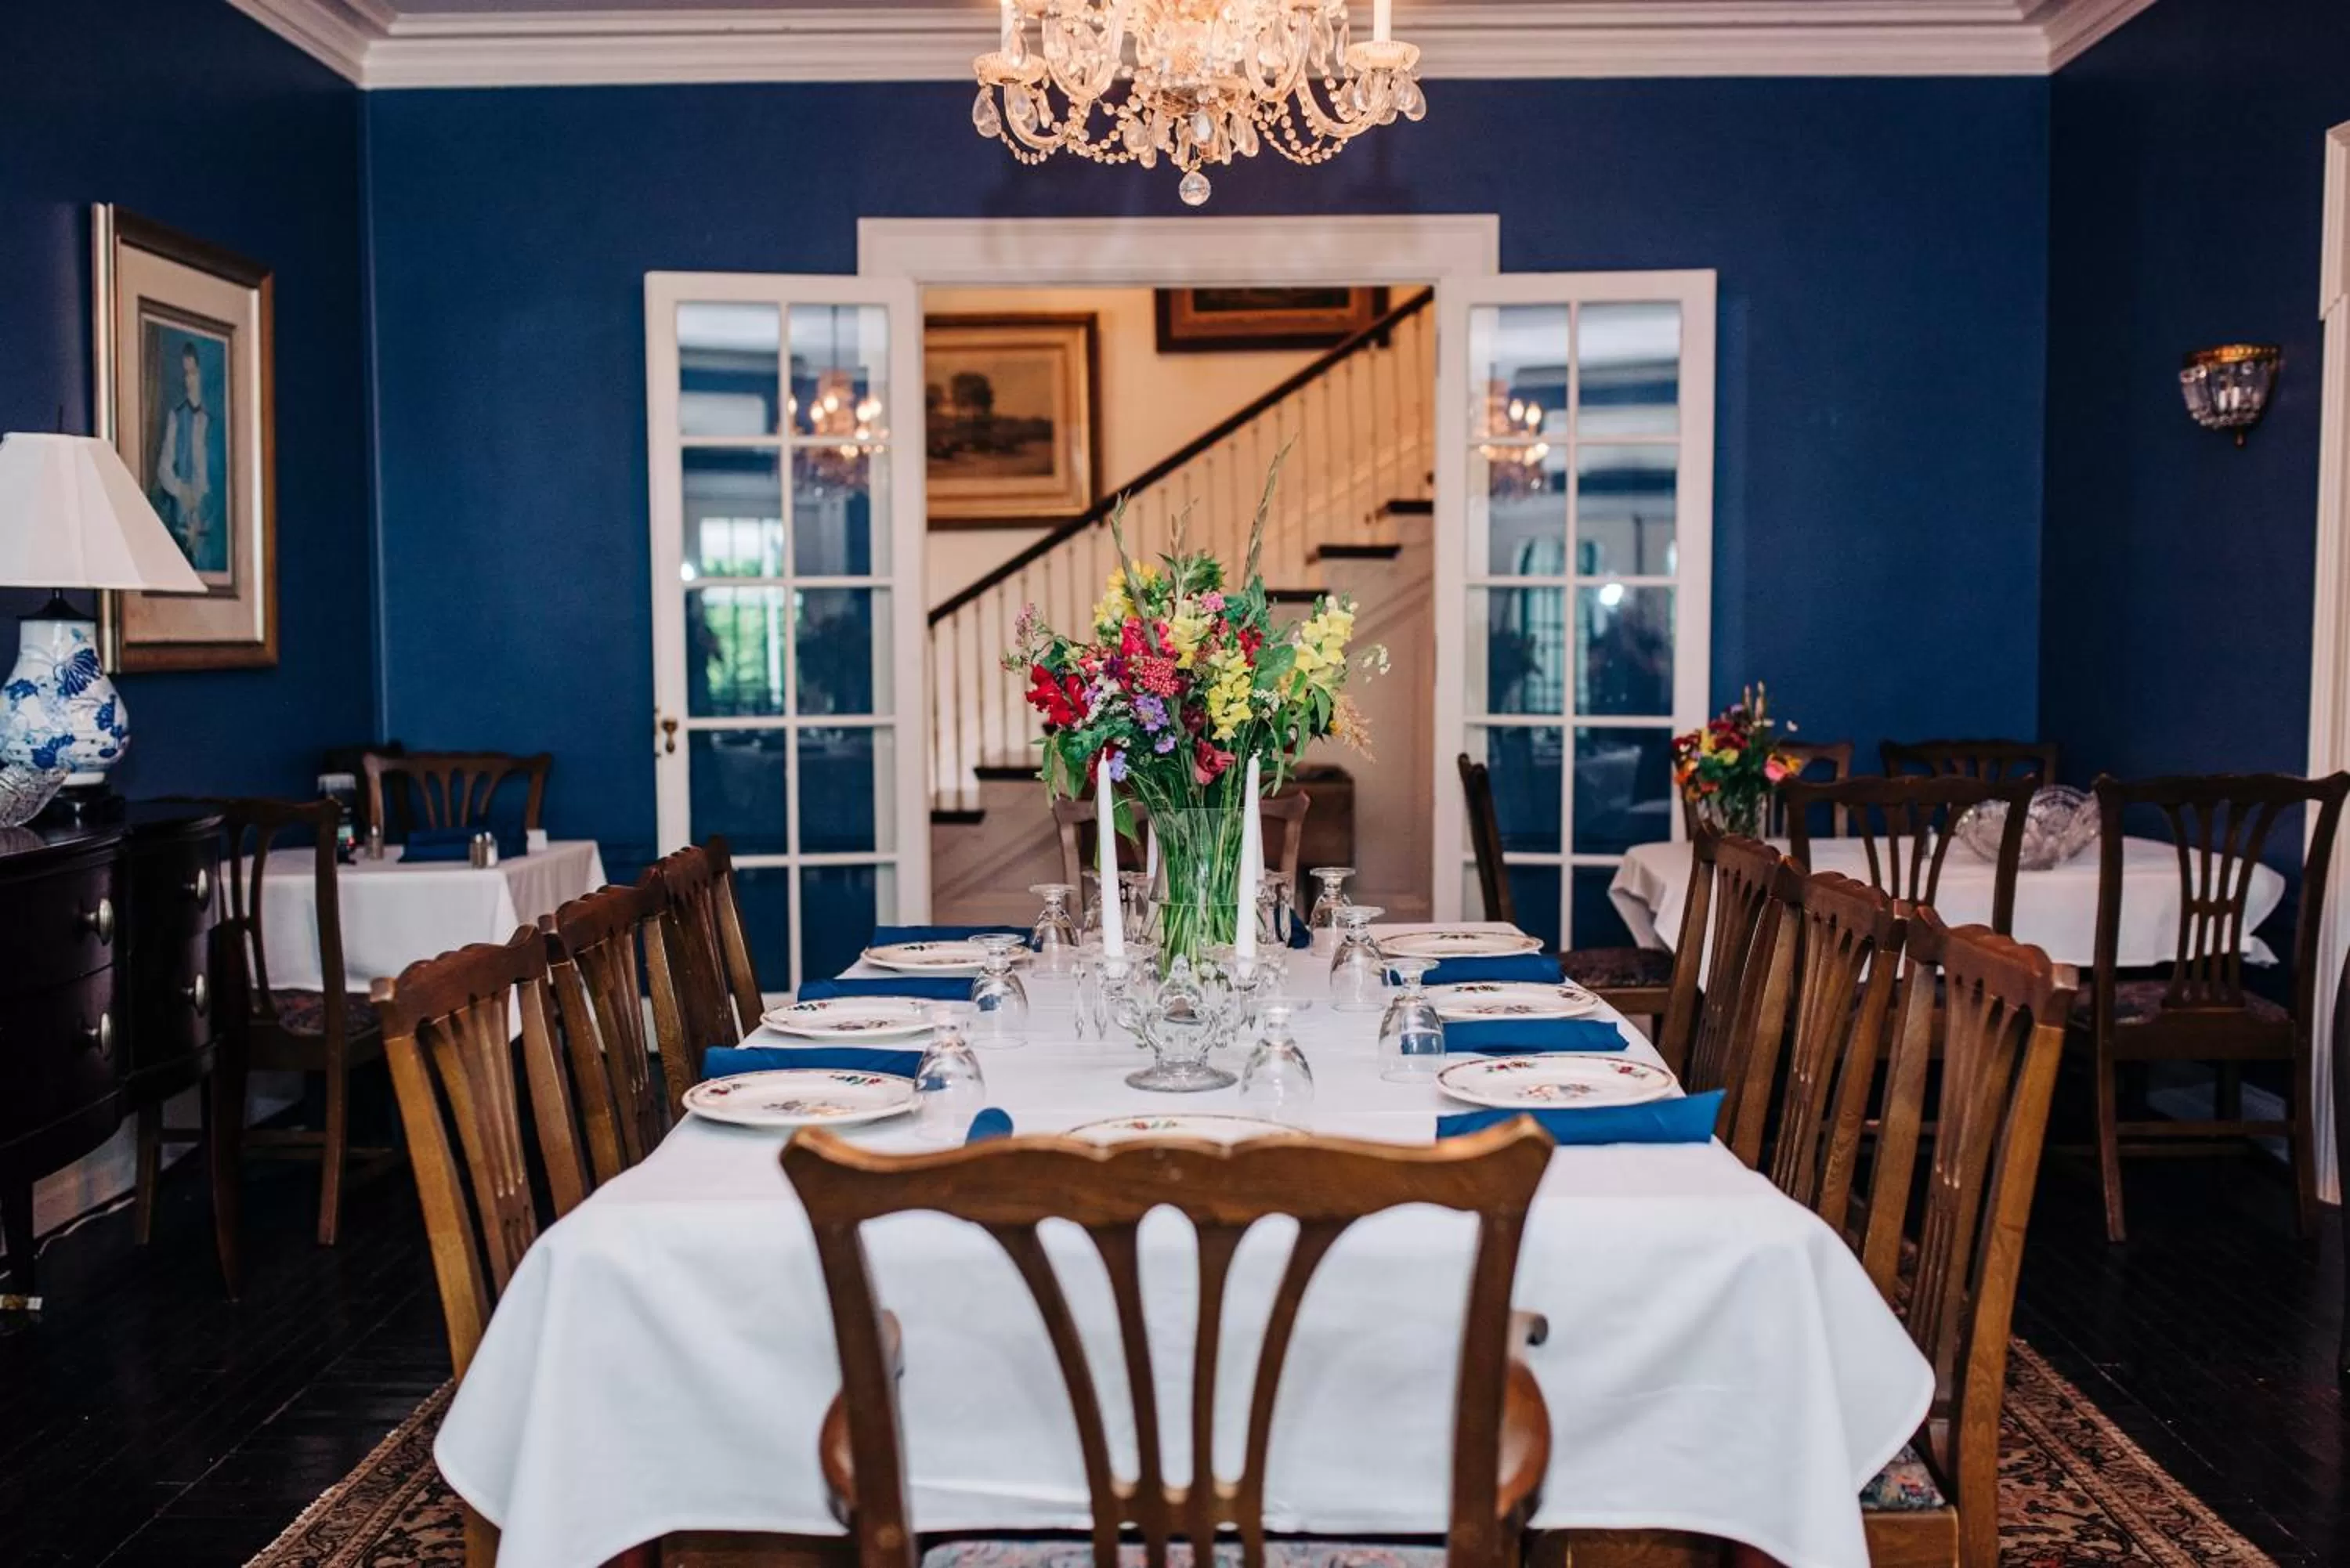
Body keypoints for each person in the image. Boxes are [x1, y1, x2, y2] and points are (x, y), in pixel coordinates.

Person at [152, 341, 218, 569]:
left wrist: (202, 502)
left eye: (193, 373)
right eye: (186, 374)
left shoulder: (214, 422)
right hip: (181, 516)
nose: (189, 380)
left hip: (209, 520)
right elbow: (164, 469)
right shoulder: (176, 416)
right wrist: (181, 490)